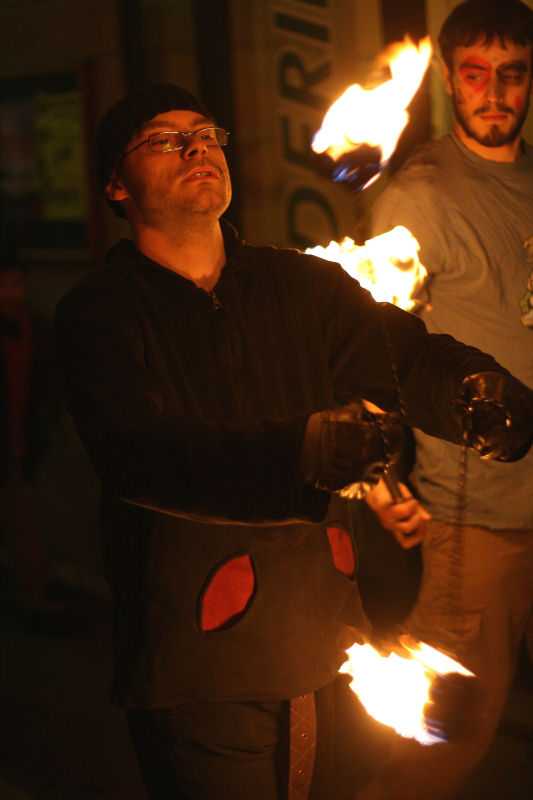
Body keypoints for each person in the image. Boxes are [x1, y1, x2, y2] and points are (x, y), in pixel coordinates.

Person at [53, 82, 533, 800]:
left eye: (206, 133)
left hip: (327, 643)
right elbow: (138, 453)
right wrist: (301, 451)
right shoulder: (100, 314)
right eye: (162, 139)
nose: (195, 147)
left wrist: (474, 387)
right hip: (199, 664)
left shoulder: (301, 284)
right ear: (116, 185)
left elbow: (403, 354)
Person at [363, 1, 533, 797]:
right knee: (449, 734)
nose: (493, 92)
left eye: (511, 74)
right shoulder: (420, 195)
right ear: (446, 81)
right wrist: (375, 478)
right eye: (475, 75)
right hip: (474, 512)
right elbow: (369, 350)